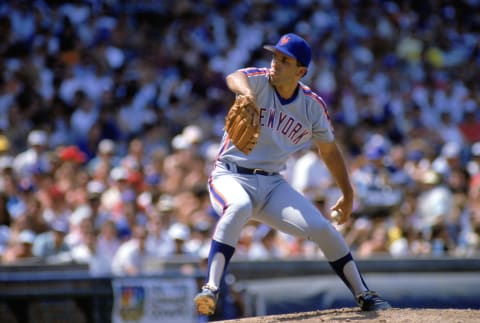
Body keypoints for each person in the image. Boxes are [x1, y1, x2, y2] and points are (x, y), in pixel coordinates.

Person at [194, 33, 391, 316]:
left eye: (284, 60)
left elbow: (329, 151)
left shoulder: (311, 105)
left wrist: (347, 194)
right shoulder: (258, 81)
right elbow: (234, 76)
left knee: (322, 228)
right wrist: (247, 93)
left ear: (300, 71)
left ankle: (364, 294)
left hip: (273, 183)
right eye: (274, 56)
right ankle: (211, 289)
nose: (275, 63)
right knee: (238, 206)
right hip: (230, 175)